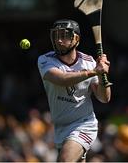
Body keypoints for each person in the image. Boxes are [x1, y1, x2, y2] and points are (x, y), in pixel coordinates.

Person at [37, 19, 111, 162]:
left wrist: (102, 75)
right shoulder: (45, 60)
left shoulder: (88, 62)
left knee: (64, 160)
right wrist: (94, 71)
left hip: (84, 124)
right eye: (56, 35)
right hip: (60, 128)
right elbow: (62, 79)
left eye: (64, 36)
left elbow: (104, 98)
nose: (59, 40)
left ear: (76, 39)